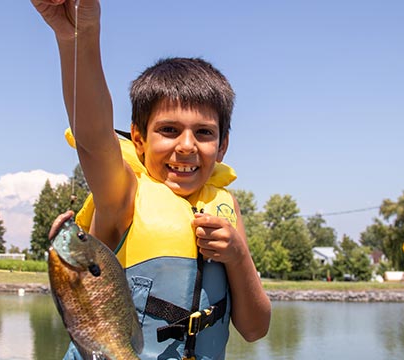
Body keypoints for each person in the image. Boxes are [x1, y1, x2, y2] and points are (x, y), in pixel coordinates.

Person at [33, 1, 271, 359]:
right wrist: (77, 37)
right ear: (139, 139)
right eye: (169, 130)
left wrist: (237, 256)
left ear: (223, 146)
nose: (187, 146)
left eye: (204, 133)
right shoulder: (122, 194)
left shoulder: (226, 205)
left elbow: (255, 329)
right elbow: (94, 139)